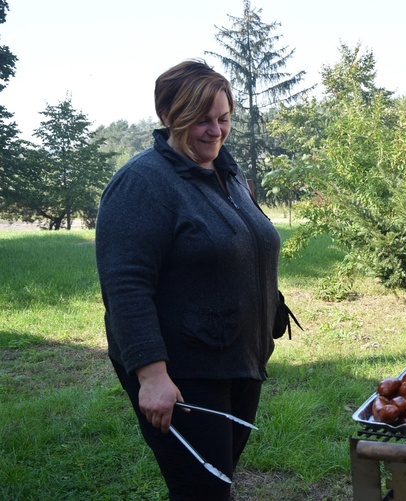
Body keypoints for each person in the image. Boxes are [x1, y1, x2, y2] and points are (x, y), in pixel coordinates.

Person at [95, 59, 281, 500]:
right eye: (201, 119)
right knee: (203, 491)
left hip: (236, 357)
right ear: (168, 117)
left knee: (216, 481)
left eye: (224, 118)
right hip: (182, 370)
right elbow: (125, 285)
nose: (215, 130)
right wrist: (152, 375)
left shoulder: (227, 174)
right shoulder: (143, 182)